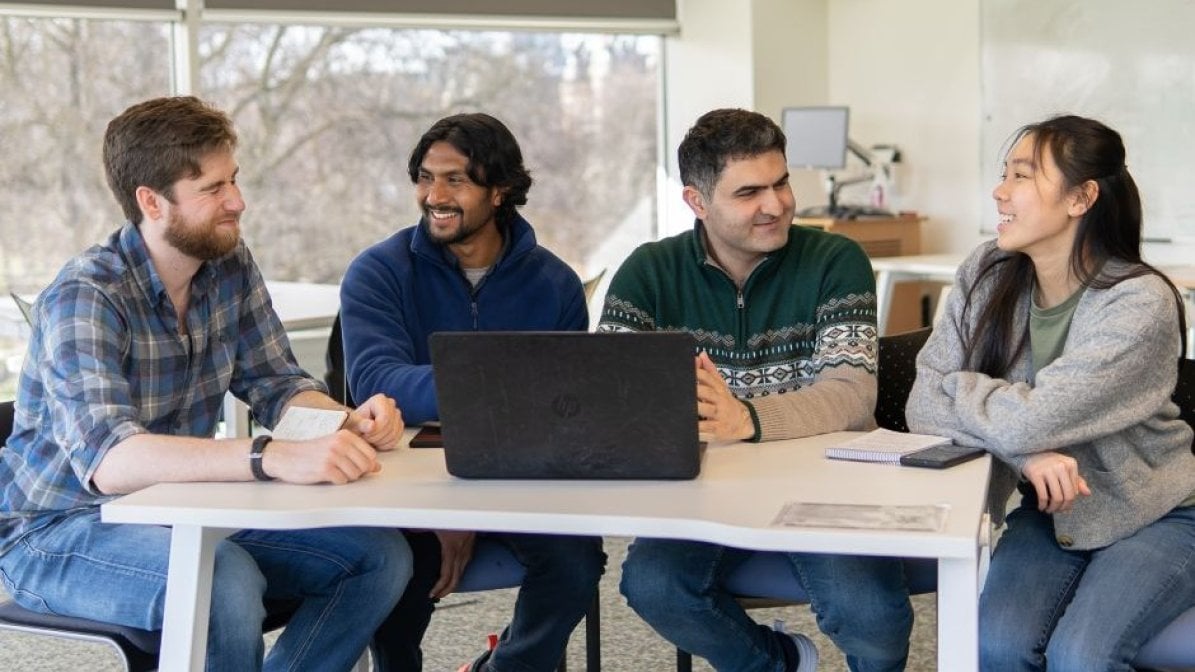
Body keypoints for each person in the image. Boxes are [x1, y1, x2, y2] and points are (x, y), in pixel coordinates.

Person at [0, 96, 413, 671]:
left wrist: (344, 420)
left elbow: (276, 385)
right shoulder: (86, 295)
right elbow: (110, 462)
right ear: (152, 202)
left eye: (234, 181)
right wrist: (270, 459)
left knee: (379, 558)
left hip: (183, 507)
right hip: (59, 530)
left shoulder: (227, 264)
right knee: (223, 577)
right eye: (213, 188)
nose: (237, 201)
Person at [598, 108, 913, 672]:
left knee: (873, 618)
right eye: (749, 192)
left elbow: (851, 395)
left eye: (782, 182)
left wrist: (746, 418)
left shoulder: (835, 260)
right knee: (652, 585)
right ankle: (777, 663)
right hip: (702, 490)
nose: (776, 204)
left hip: (822, 486)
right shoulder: (648, 273)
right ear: (697, 201)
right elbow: (612, 397)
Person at [906, 115, 1195, 672]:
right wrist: (1028, 455)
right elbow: (922, 403)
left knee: (1080, 657)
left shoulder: (1139, 302)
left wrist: (963, 389)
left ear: (1081, 197)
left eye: (1021, 176)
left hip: (1159, 516)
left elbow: (1024, 419)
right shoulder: (987, 272)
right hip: (1052, 515)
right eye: (1004, 174)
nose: (999, 190)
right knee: (993, 647)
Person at [339, 112, 605, 672]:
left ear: (500, 189)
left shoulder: (555, 284)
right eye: (425, 177)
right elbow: (377, 382)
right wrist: (505, 387)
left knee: (577, 562)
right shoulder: (377, 272)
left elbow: (563, 406)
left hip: (521, 482)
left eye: (455, 179)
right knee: (394, 575)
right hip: (412, 486)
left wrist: (476, 495)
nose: (434, 195)